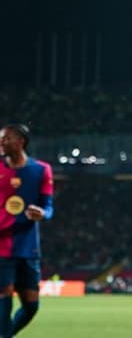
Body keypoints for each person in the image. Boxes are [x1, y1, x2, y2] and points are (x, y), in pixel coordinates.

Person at [0, 124, 54, 338]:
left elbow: (48, 206)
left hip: (28, 246)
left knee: (31, 306)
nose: (1, 142)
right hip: (2, 245)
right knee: (3, 297)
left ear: (21, 141)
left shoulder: (41, 170)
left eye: (6, 138)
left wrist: (43, 213)